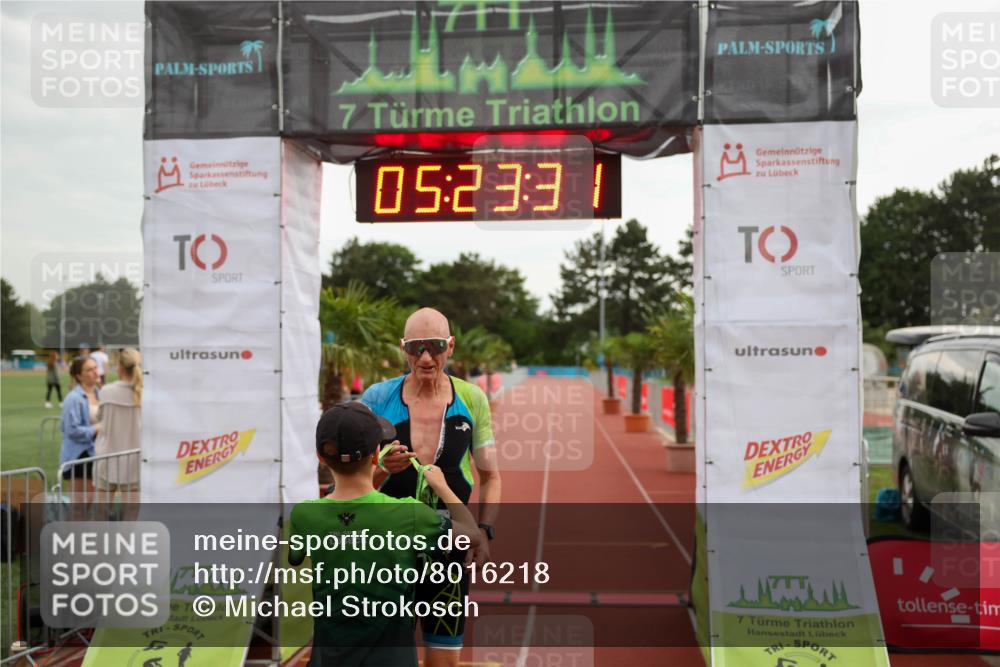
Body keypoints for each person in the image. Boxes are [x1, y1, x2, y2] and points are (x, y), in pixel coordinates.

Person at [289, 402, 481, 667]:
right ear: (376, 454)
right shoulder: (410, 514)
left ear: (321, 456)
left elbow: (297, 556)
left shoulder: (304, 516)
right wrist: (443, 487)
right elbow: (472, 534)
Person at [362, 307, 501, 664]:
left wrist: (484, 529)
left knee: (445, 660)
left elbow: (491, 476)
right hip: (386, 550)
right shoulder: (378, 398)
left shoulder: (472, 399)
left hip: (447, 551)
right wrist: (381, 470)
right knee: (389, 660)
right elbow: (353, 482)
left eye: (435, 346)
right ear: (403, 348)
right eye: (416, 347)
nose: (425, 357)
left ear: (450, 346)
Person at [94, 348, 142, 492]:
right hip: (134, 460)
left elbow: (99, 418)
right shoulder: (145, 392)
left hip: (107, 458)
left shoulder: (107, 391)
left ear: (120, 367)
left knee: (101, 512)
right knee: (132, 513)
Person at [60, 356, 101, 482]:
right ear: (79, 376)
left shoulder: (99, 393)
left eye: (95, 367)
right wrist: (97, 429)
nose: (95, 372)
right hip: (79, 455)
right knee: (83, 501)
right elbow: (72, 431)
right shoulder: (73, 398)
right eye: (89, 370)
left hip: (96, 451)